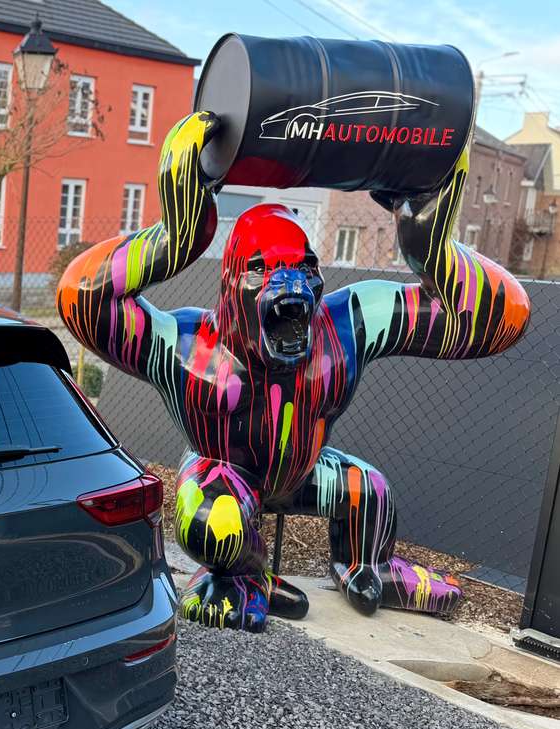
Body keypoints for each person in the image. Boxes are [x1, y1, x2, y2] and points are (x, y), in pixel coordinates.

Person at [57, 111, 531, 631]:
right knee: (211, 523)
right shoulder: (189, 346)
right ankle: (242, 574)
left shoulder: (346, 325)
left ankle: (369, 567)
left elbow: (495, 318)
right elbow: (84, 297)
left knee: (368, 490)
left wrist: (430, 247)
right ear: (231, 283)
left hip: (306, 474)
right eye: (261, 269)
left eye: (305, 267)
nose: (291, 286)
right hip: (226, 475)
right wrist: (177, 235)